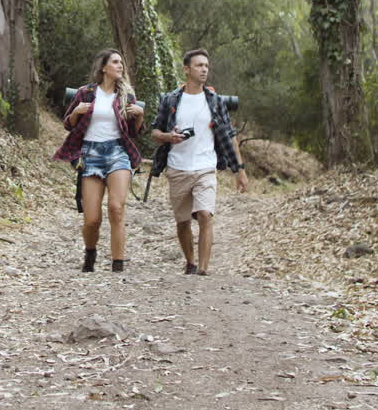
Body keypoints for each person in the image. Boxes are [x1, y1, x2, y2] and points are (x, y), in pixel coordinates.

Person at [149, 48, 249, 275]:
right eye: (199, 65)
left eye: (206, 65)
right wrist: (168, 137)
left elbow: (229, 136)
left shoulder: (215, 101)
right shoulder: (170, 99)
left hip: (206, 167)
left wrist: (239, 170)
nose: (204, 69)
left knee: (205, 215)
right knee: (183, 221)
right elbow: (154, 132)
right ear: (186, 69)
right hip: (178, 167)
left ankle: (203, 270)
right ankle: (191, 262)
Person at [52, 49, 145, 272]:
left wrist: (140, 115)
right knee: (92, 218)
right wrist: (77, 112)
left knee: (116, 207)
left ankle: (118, 263)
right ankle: (90, 252)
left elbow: (134, 133)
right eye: (115, 62)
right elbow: (68, 124)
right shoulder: (85, 93)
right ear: (104, 67)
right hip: (90, 154)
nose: (120, 66)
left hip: (117, 152)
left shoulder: (126, 97)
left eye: (121, 62)